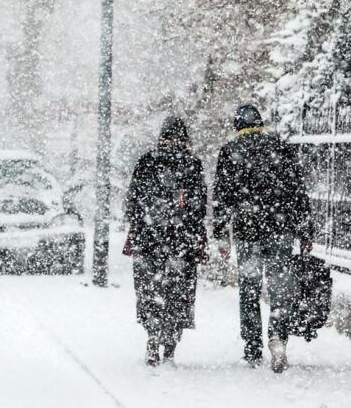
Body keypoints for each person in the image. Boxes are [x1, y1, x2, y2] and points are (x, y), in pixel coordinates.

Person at [212, 103, 314, 373]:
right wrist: (305, 231)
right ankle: (278, 337)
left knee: (249, 290)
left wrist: (222, 235)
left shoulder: (230, 151)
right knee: (280, 288)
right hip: (280, 231)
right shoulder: (280, 147)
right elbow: (297, 191)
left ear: (237, 126)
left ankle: (252, 347)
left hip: (248, 233)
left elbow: (222, 197)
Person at [122, 115, 208, 367]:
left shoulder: (147, 161)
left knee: (150, 289)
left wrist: (142, 224)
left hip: (148, 240)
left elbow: (132, 201)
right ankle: (170, 343)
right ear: (185, 138)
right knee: (178, 290)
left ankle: (152, 333)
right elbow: (199, 206)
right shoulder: (192, 164)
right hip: (182, 241)